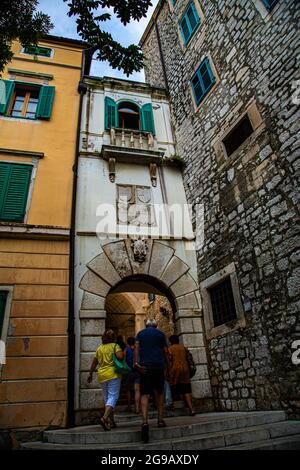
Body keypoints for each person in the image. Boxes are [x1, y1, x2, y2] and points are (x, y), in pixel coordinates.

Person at [134, 319, 168, 443]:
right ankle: (159, 420)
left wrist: (136, 363)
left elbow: (136, 349)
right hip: (158, 366)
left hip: (144, 367)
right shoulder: (160, 334)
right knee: (159, 393)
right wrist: (167, 366)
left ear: (146, 325)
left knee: (145, 394)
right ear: (156, 326)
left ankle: (144, 422)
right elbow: (165, 351)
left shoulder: (140, 334)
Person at [87, 329, 124, 430]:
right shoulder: (115, 346)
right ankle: (104, 418)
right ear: (113, 338)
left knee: (107, 399)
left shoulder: (99, 348)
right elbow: (120, 357)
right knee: (113, 397)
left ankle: (111, 421)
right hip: (113, 374)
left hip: (102, 375)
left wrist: (90, 374)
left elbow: (94, 363)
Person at [167, 334, 196, 416]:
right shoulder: (184, 348)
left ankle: (173, 407)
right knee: (186, 389)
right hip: (185, 369)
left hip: (175, 369)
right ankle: (191, 409)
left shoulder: (170, 349)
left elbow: (169, 361)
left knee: (173, 387)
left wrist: (168, 372)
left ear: (170, 341)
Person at [124, 336, 141, 413]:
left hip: (128, 372)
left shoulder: (126, 350)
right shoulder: (137, 349)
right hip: (137, 371)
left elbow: (123, 361)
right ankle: (137, 408)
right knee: (137, 390)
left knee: (128, 390)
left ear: (127, 342)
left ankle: (129, 406)